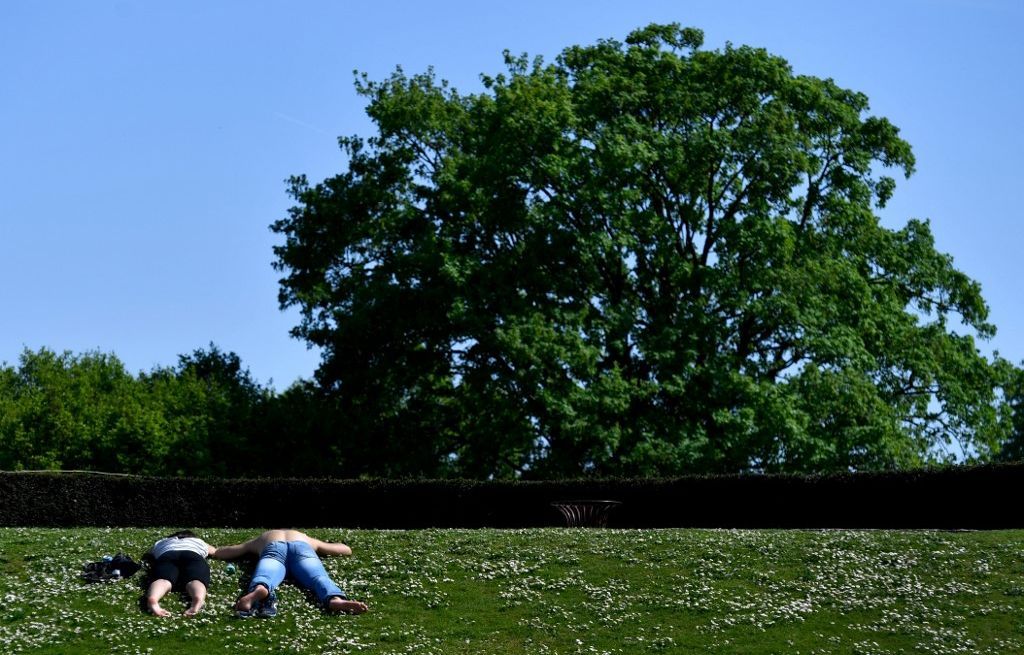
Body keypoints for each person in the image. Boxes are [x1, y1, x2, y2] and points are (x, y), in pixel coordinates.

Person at [213, 529, 368, 616]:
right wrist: (339, 545)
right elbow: (344, 550)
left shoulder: (264, 536)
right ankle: (334, 598)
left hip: (273, 547)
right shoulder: (304, 536)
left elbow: (233, 550)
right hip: (302, 548)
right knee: (318, 577)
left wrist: (213, 550)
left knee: (265, 575)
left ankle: (261, 589)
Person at [143, 530, 216, 617]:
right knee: (195, 579)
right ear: (192, 537)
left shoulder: (162, 542)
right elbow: (216, 552)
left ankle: (154, 598)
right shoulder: (198, 541)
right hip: (192, 555)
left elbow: (150, 553)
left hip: (167, 555)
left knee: (163, 579)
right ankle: (198, 599)